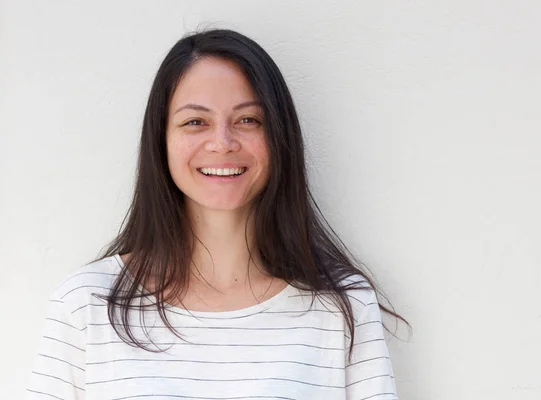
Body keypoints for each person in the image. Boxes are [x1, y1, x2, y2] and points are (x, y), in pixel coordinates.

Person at [26, 29, 408, 399]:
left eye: (248, 120)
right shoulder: (85, 304)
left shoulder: (343, 306)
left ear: (279, 137)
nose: (222, 143)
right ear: (162, 141)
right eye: (195, 122)